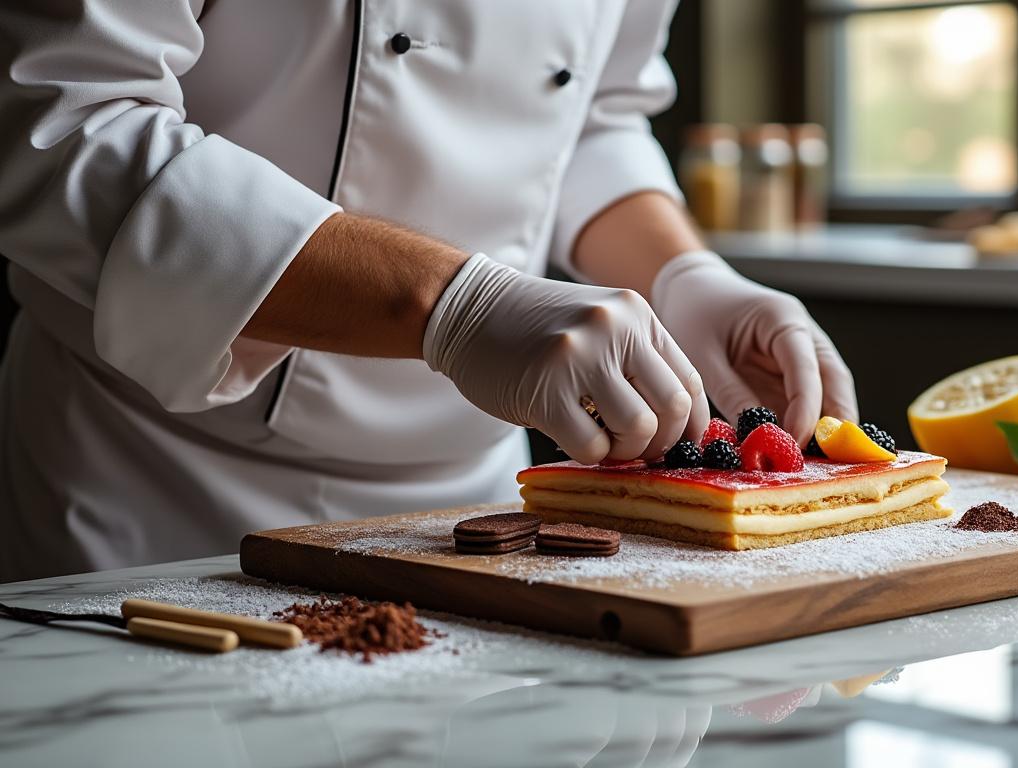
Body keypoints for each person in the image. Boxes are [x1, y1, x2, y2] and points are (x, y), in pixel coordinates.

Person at [0, 1, 856, 582]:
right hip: (156, 475)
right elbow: (61, 122)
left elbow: (594, 117)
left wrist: (683, 276)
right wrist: (453, 306)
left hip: (478, 491)